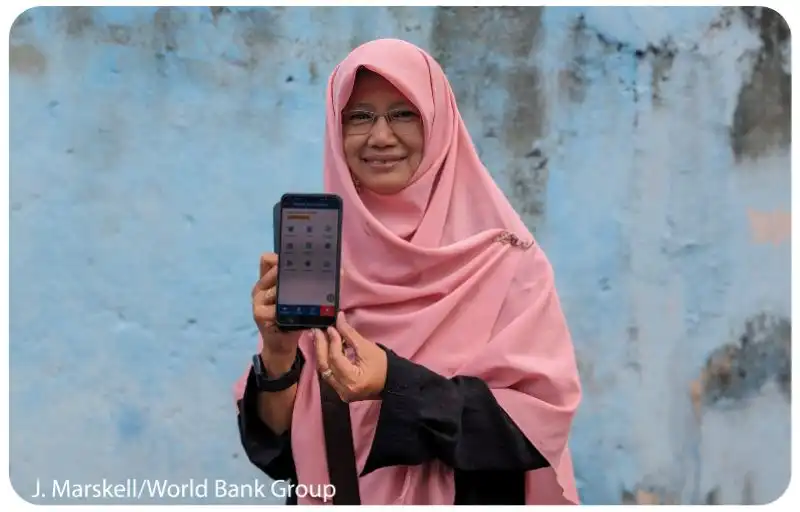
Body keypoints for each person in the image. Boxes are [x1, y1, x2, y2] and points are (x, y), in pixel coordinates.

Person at [233, 38, 582, 505]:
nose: (380, 137)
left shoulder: (506, 264)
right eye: (359, 117)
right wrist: (278, 356)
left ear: (437, 123)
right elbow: (282, 455)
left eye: (403, 113)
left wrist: (392, 382)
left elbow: (538, 427)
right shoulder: (326, 266)